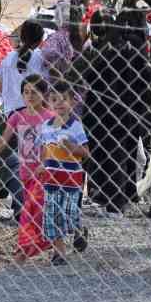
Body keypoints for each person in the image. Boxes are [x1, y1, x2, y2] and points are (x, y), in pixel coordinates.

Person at [80, 8, 148, 216]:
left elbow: (88, 75)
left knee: (110, 154)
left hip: (103, 108)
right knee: (121, 152)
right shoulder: (130, 45)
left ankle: (113, 199)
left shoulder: (101, 48)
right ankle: (120, 195)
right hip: (124, 107)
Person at [0, 74, 54, 261]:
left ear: (44, 94)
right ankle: (46, 242)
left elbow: (56, 145)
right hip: (25, 173)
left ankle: (23, 252)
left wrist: (45, 163)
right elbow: (3, 140)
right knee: (33, 210)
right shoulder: (17, 116)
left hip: (44, 173)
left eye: (34, 92)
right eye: (26, 92)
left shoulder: (50, 118)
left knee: (29, 211)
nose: (30, 96)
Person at [0, 20, 49, 214]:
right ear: (41, 39)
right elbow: (46, 87)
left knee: (19, 163)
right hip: (32, 115)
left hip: (11, 115)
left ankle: (21, 205)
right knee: (31, 163)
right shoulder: (40, 58)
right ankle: (28, 207)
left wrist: (10, 99)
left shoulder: (8, 58)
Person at [38, 82, 90, 266]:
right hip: (51, 179)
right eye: (54, 100)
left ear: (72, 102)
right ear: (49, 103)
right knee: (52, 215)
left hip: (71, 179)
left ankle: (79, 229)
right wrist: (42, 165)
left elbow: (86, 152)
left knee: (68, 214)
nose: (59, 103)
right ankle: (59, 253)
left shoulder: (75, 126)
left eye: (63, 99)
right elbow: (44, 149)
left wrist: (71, 146)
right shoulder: (45, 126)